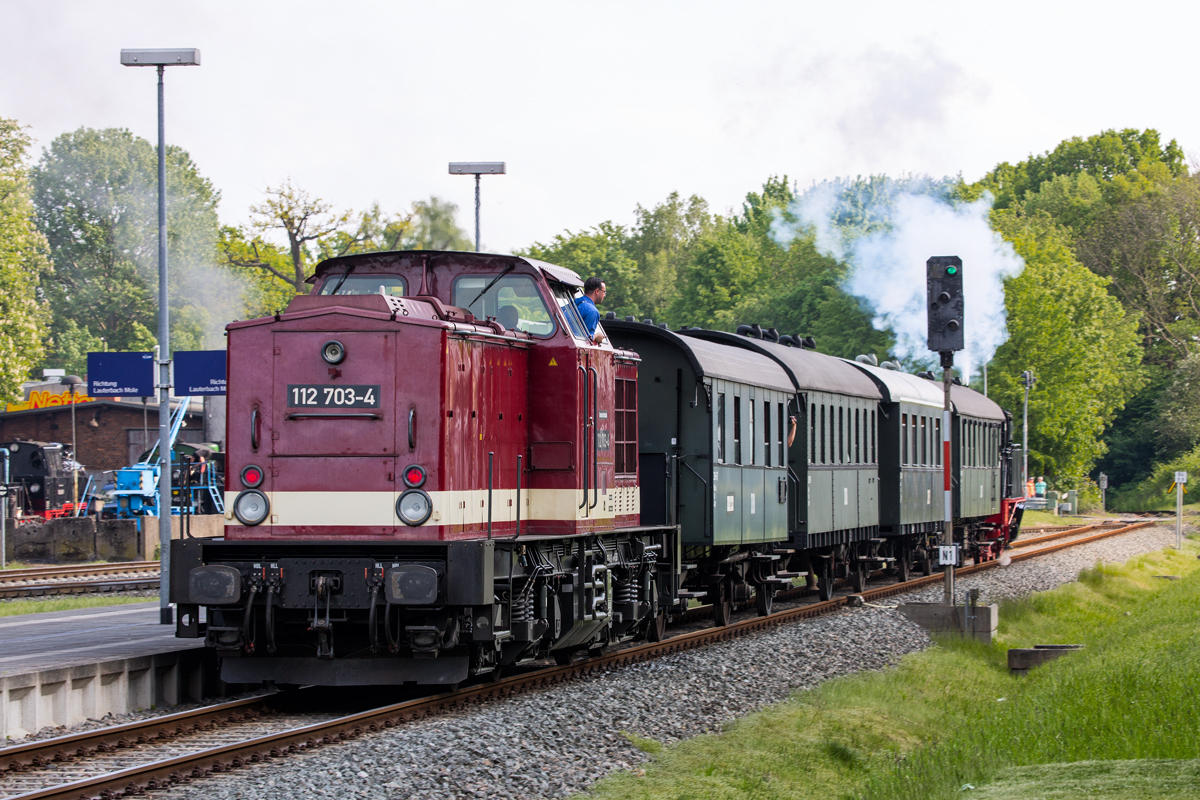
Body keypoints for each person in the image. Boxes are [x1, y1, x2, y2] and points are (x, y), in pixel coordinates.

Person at [573, 277, 607, 344]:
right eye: (604, 292)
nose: (604, 295)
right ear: (597, 291)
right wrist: (597, 336)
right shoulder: (592, 311)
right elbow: (587, 341)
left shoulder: (574, 302)